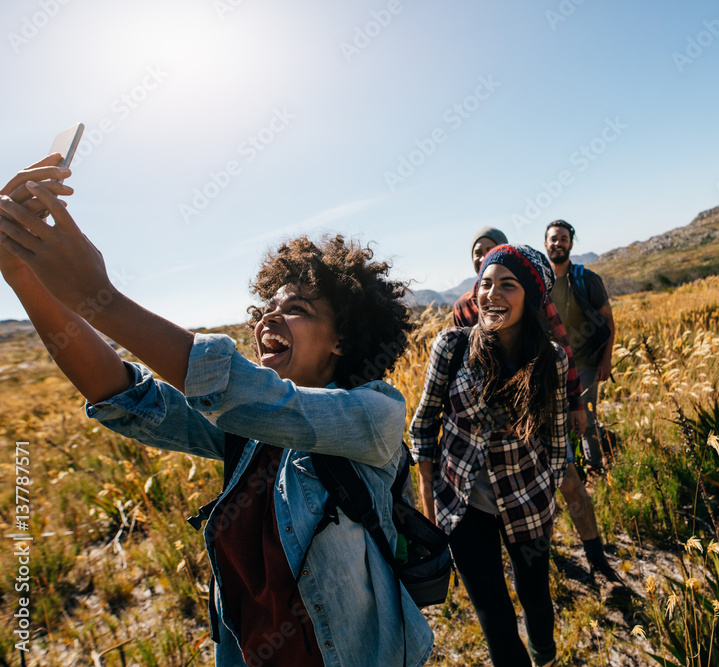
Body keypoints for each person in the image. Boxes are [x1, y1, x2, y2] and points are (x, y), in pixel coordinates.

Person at [0, 155, 434, 667]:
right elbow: (129, 397)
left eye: (297, 308)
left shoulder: (374, 415)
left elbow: (245, 393)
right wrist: (23, 273)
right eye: (267, 307)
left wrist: (100, 298)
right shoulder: (248, 431)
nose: (272, 315)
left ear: (341, 339)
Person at [411, 244, 567, 667]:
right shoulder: (452, 347)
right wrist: (431, 505)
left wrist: (549, 493)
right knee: (494, 617)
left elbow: (556, 439)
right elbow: (423, 426)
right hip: (463, 508)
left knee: (535, 597)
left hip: (528, 502)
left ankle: (544, 656)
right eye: (486, 283)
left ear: (531, 298)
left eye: (508, 285)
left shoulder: (550, 358)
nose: (492, 294)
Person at [453, 226, 617, 578]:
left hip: (542, 412)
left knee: (569, 482)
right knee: (517, 502)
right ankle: (540, 558)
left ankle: (597, 559)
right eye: (477, 252)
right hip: (498, 431)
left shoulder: (532, 295)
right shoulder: (465, 309)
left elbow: (563, 349)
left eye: (491, 249)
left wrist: (575, 402)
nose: (483, 256)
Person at [543, 220, 615, 472]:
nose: (558, 243)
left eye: (563, 238)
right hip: (552, 367)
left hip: (585, 363)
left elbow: (608, 319)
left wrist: (606, 360)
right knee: (558, 421)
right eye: (553, 238)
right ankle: (569, 471)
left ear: (570, 244)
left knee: (587, 419)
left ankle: (595, 468)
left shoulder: (587, 279)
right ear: (545, 244)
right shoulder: (540, 284)